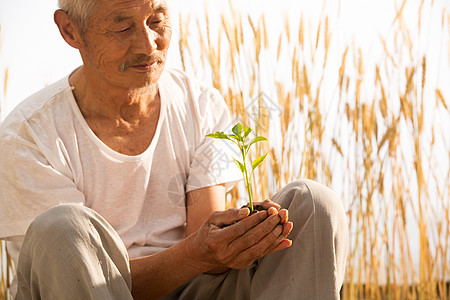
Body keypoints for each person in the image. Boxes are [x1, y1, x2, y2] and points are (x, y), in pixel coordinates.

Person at [0, 0, 349, 299]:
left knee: (313, 202)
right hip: (89, 291)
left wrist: (239, 236)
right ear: (70, 31)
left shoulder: (201, 105)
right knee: (63, 227)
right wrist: (197, 254)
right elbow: (72, 275)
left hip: (193, 286)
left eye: (156, 20)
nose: (148, 45)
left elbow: (207, 257)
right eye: (122, 28)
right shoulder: (27, 136)